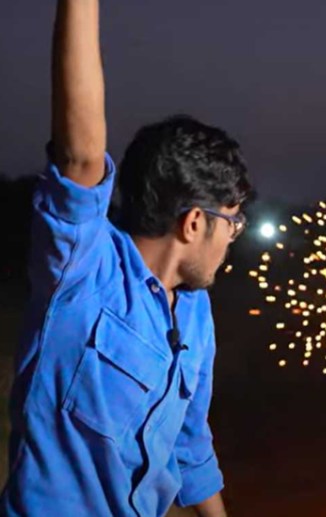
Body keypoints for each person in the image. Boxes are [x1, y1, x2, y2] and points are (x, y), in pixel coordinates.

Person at [0, 1, 251, 516]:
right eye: (233, 222)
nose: (233, 239)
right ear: (195, 222)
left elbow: (189, 444)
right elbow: (81, 157)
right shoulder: (83, 275)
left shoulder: (195, 315)